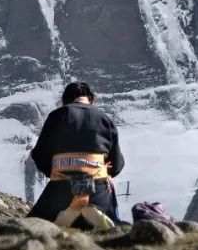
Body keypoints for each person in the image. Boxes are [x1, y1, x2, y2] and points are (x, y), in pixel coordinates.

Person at [27, 81, 125, 228]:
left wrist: (52, 173)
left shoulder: (56, 116)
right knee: (113, 222)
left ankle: (69, 211)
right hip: (96, 187)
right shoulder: (105, 119)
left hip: (61, 188)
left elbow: (39, 154)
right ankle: (95, 210)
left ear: (65, 101)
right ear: (91, 100)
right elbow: (116, 165)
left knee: (34, 223)